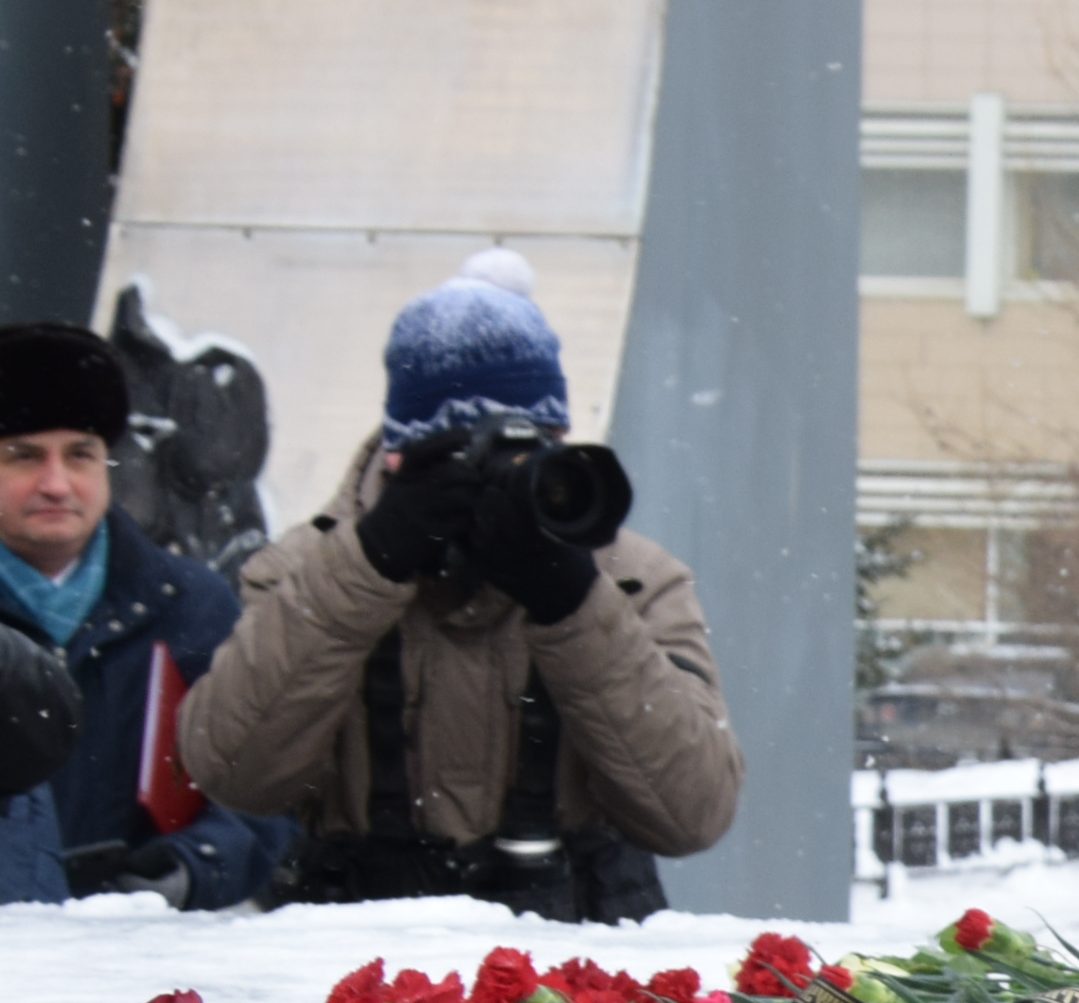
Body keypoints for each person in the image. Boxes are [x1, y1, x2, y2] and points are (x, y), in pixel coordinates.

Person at [180, 250, 738, 921]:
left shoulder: (633, 580)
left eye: (528, 450)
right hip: (358, 957)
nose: (496, 476)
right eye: (460, 455)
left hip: (578, 969)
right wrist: (371, 563)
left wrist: (574, 605)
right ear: (399, 456)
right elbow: (235, 771)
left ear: (561, 438)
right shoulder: (304, 569)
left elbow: (694, 813)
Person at [0, 320, 274, 907]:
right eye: (23, 457)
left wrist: (190, 867)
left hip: (138, 963)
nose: (56, 483)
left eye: (81, 455)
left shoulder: (193, 606)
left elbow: (257, 785)